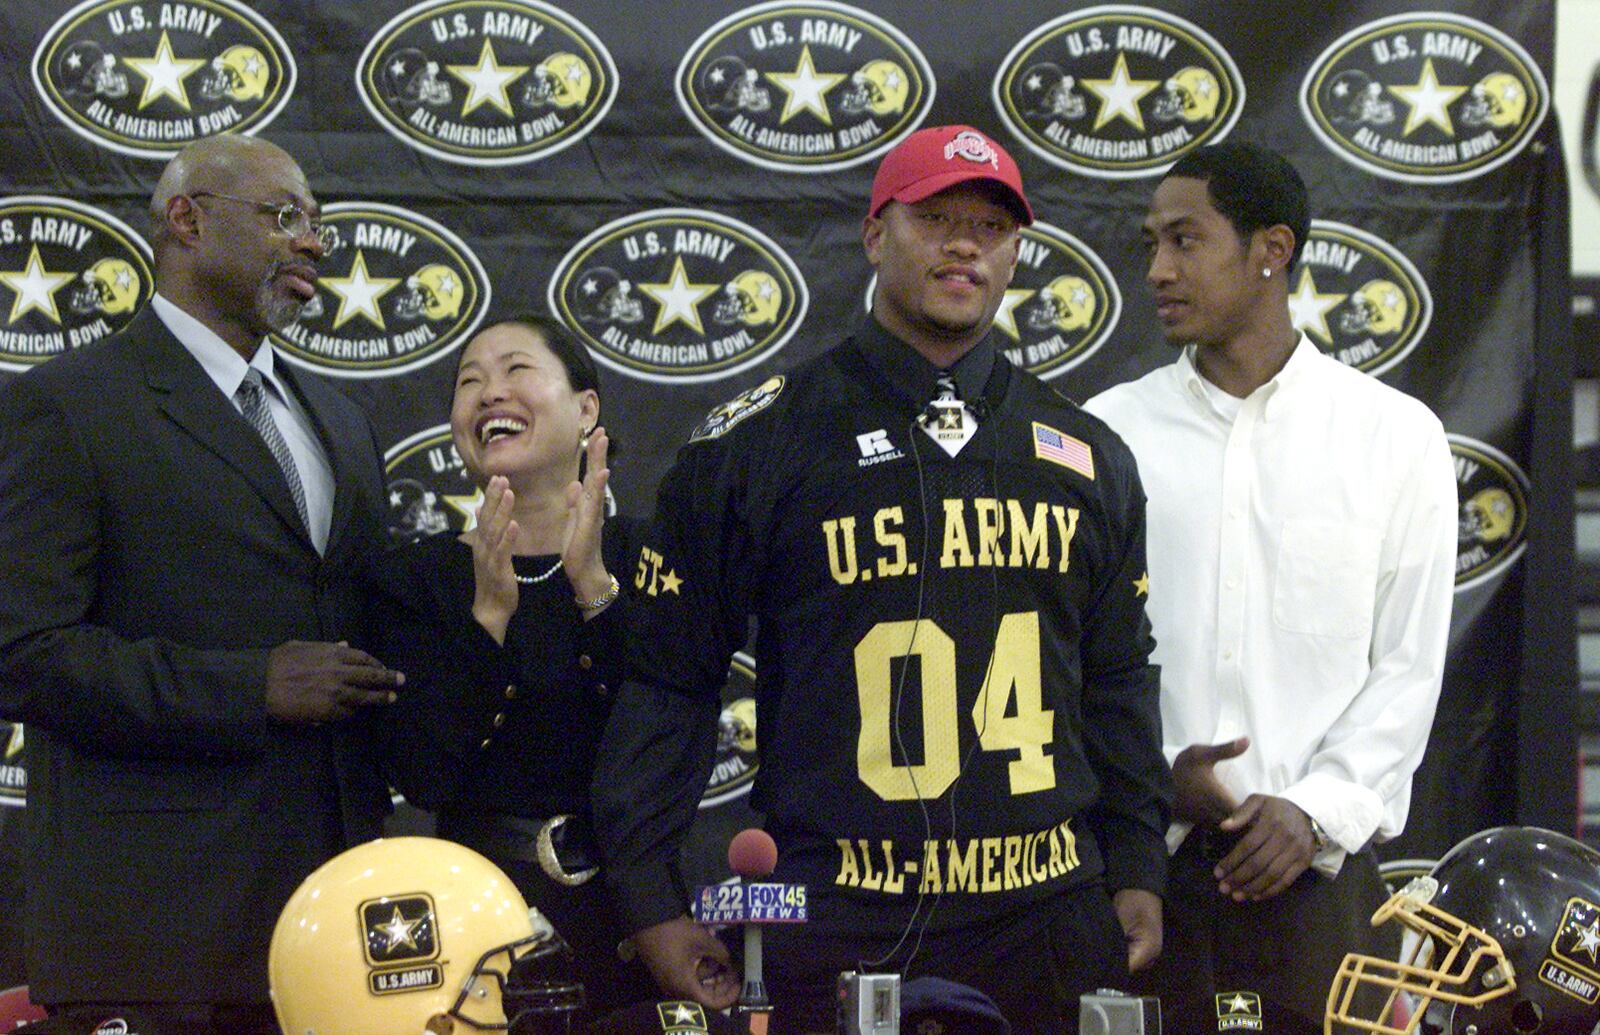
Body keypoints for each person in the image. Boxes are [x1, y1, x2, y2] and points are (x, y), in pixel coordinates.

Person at [593, 124, 1170, 1033]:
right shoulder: (759, 440)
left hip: (1045, 911)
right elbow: (669, 679)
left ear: (1017, 250)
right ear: (875, 234)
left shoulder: (1089, 455)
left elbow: (1120, 678)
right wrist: (650, 897)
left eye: (992, 225)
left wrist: (1137, 862)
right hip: (833, 911)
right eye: (936, 217)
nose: (965, 243)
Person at [0, 135, 403, 1035]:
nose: (310, 244)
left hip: (338, 938)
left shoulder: (339, 420)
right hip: (156, 938)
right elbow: (22, 652)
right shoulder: (69, 405)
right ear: (185, 218)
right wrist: (249, 686)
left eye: (319, 229)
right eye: (283, 217)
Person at [1083, 141, 1456, 1035]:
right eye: (1151, 245)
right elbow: (1072, 656)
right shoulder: (1107, 434)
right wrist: (1151, 778)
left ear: (1272, 249)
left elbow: (1407, 667)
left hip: (1323, 889)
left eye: (1184, 240)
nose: (1158, 271)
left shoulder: (1395, 437)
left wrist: (1311, 810)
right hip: (1139, 874)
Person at [364, 313, 657, 1015]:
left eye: (516, 370)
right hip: (476, 925)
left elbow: (662, 745)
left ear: (586, 408)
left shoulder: (650, 558)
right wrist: (488, 620)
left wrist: (594, 592)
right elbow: (424, 774)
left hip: (638, 918)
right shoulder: (414, 578)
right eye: (470, 381)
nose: (490, 393)